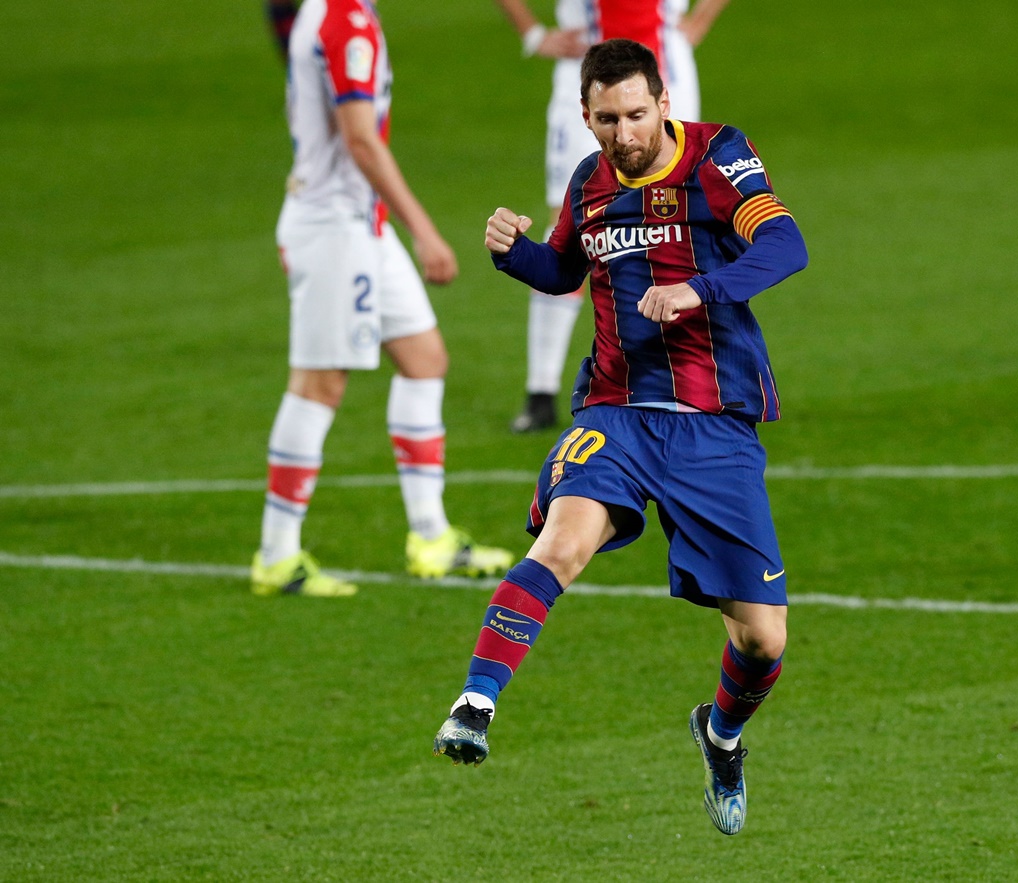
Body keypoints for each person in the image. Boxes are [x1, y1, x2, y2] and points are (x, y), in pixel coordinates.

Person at [433, 39, 806, 836]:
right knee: (560, 544)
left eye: (637, 114)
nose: (624, 133)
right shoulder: (591, 182)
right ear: (585, 115)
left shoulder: (716, 156)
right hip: (616, 412)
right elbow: (564, 269)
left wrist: (697, 291)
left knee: (763, 638)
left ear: (663, 102)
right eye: (607, 119)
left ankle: (722, 733)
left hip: (714, 423)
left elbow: (785, 244)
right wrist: (513, 254)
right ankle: (474, 703)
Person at [251, 0, 514, 597]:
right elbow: (361, 140)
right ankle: (276, 554)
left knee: (425, 359)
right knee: (320, 383)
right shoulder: (343, 19)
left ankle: (430, 537)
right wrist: (424, 230)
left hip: (359, 224)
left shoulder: (340, 13)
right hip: (335, 228)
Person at [493, 0, 733, 432]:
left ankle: (681, 378)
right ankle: (541, 388)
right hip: (587, 80)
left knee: (677, 218)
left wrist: (697, 23)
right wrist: (533, 34)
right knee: (569, 220)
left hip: (665, 70)